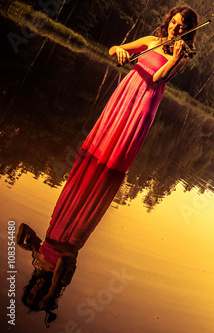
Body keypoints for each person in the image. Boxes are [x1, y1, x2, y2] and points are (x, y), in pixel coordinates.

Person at [16, 5, 199, 324]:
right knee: (97, 150)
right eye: (173, 23)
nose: (174, 29)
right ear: (167, 23)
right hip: (125, 94)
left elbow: (159, 76)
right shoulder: (149, 40)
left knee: (114, 156)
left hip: (144, 100)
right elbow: (117, 48)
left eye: (181, 27)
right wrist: (119, 52)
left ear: (187, 32)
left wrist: (46, 291)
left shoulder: (181, 56)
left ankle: (102, 176)